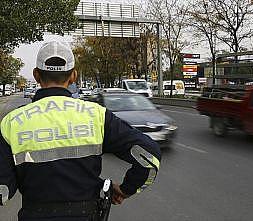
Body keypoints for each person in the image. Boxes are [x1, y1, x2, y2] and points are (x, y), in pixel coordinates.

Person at [0, 41, 161, 221]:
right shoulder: (96, 115)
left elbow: (3, 190)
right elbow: (149, 155)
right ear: (73, 76)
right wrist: (126, 190)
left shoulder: (12, 123)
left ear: (36, 75)